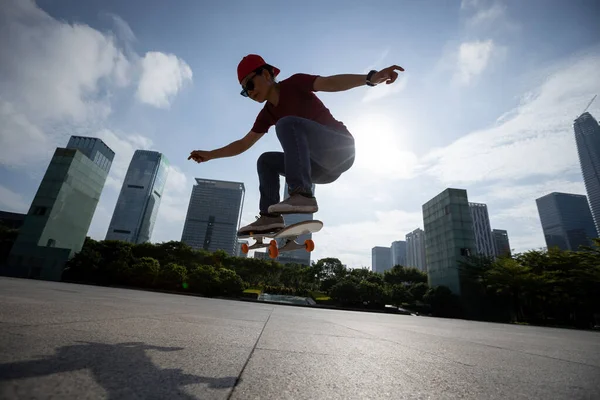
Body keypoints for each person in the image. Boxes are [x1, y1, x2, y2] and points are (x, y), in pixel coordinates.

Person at [188, 54, 404, 235]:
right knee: (266, 161)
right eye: (245, 91)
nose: (250, 92)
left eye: (250, 85)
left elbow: (330, 83)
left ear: (265, 75)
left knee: (287, 124)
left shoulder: (295, 83)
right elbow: (244, 143)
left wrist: (370, 78)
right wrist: (210, 155)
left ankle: (301, 193)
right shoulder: (267, 114)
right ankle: (270, 218)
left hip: (340, 148)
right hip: (319, 170)